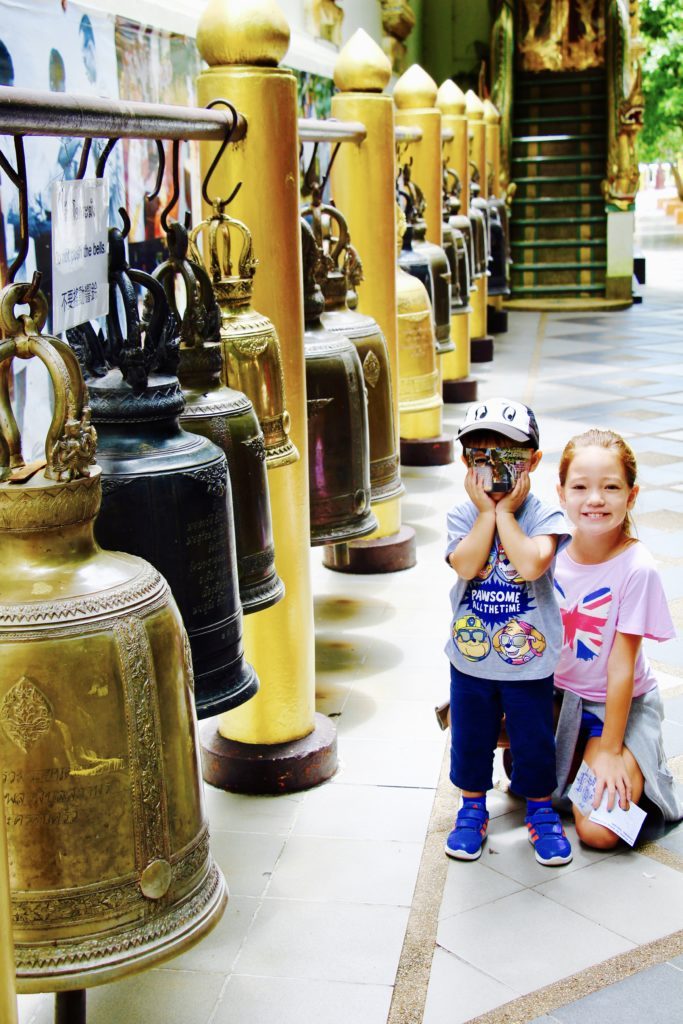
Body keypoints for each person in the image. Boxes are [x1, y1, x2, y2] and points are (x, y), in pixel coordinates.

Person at [444, 398, 573, 866]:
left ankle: (539, 810)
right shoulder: (462, 516)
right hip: (471, 656)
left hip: (530, 659)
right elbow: (465, 562)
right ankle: (472, 808)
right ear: (465, 464)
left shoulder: (543, 515)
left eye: (510, 459)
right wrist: (484, 514)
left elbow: (532, 561)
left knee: (534, 738)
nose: (494, 470)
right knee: (471, 737)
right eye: (482, 459)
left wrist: (504, 514)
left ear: (534, 462)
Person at [553, 429, 682, 848]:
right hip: (560, 702)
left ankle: (637, 758)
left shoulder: (636, 567)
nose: (595, 499)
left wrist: (609, 748)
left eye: (611, 487)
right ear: (561, 492)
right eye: (581, 487)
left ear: (632, 495)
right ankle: (575, 760)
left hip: (618, 708)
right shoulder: (549, 550)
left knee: (598, 832)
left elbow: (621, 664)